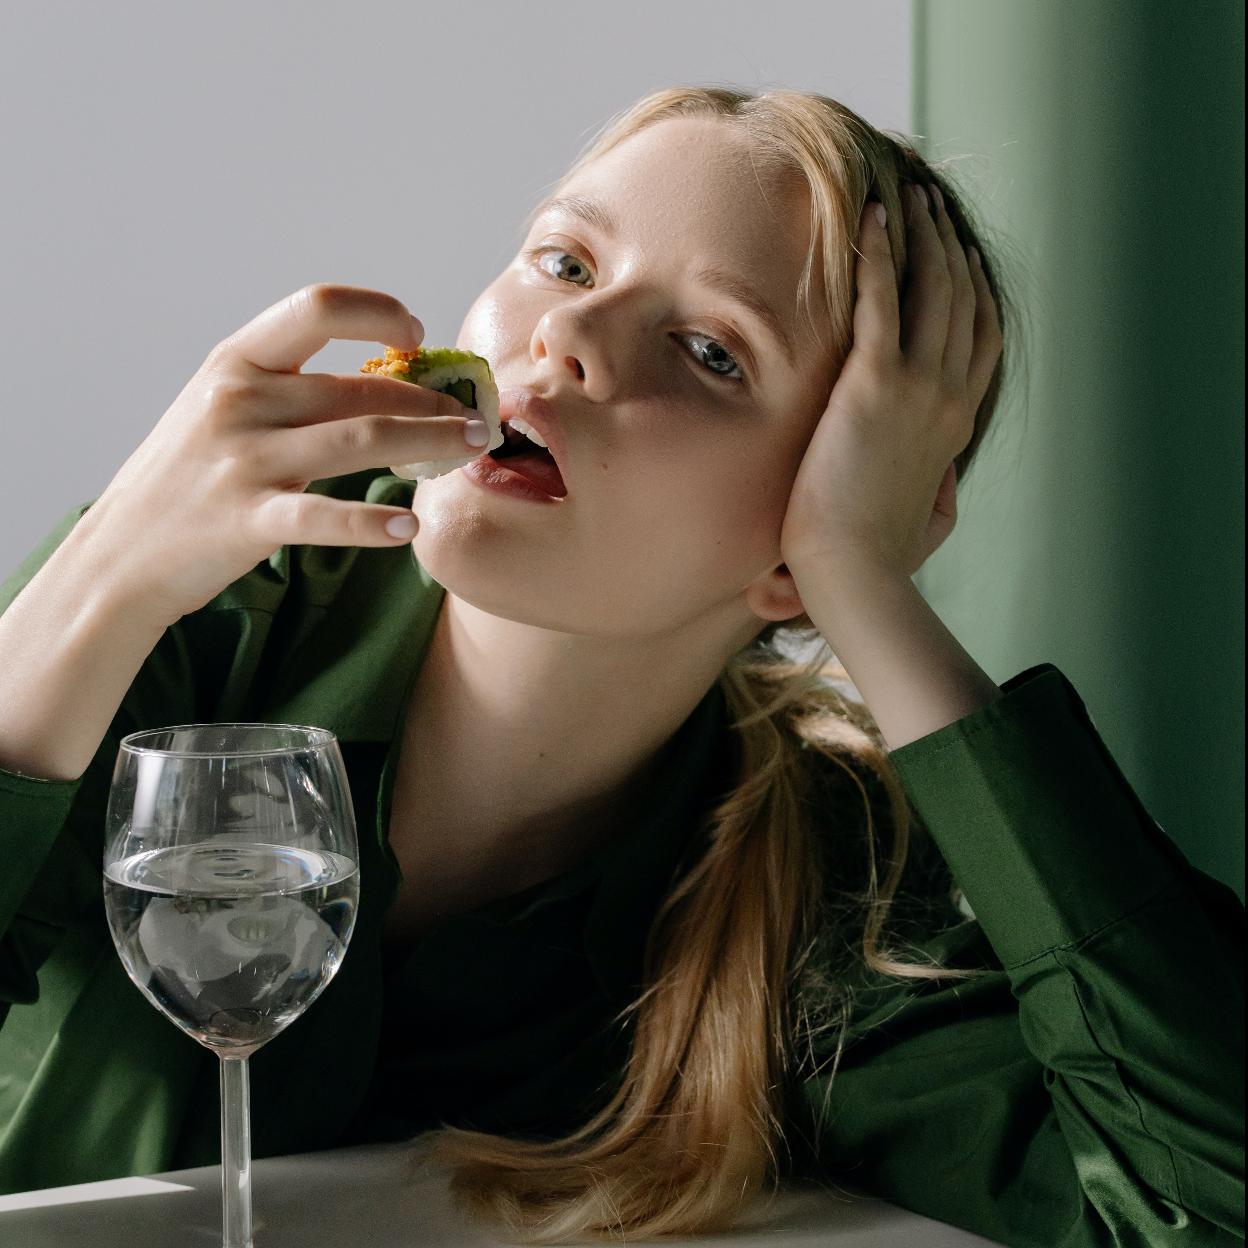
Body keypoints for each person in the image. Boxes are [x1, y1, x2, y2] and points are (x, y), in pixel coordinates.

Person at [0, 85, 1241, 1247]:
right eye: (565, 262)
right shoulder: (184, 609)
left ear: (815, 526)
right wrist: (106, 573)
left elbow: (1203, 1201)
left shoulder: (816, 895)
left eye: (712, 352)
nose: (568, 337)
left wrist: (862, 584)